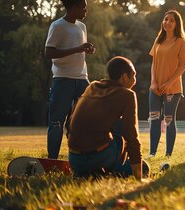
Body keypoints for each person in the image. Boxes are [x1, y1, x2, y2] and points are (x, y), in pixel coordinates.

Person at [67, 56, 144, 180]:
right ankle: (115, 168)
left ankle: (90, 172)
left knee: (115, 124)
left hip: (74, 160)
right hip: (99, 159)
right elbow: (131, 136)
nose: (135, 81)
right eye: (133, 75)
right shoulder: (128, 95)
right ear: (124, 77)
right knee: (143, 166)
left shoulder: (91, 87)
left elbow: (71, 121)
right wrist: (139, 177)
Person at [44, 0, 94, 159]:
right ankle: (52, 159)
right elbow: (49, 53)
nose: (86, 10)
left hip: (81, 78)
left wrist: (86, 49)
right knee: (56, 122)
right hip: (63, 79)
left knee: (83, 120)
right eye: (83, 7)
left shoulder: (82, 27)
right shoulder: (57, 26)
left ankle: (80, 156)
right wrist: (78, 49)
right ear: (73, 7)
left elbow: (79, 50)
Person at [148, 10, 185, 158]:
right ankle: (152, 153)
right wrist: (153, 82)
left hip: (172, 88)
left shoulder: (181, 42)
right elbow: (153, 63)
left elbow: (182, 66)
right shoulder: (158, 40)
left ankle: (168, 155)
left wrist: (168, 83)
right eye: (166, 19)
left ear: (177, 24)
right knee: (154, 118)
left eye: (172, 20)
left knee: (169, 120)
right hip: (155, 88)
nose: (168, 22)